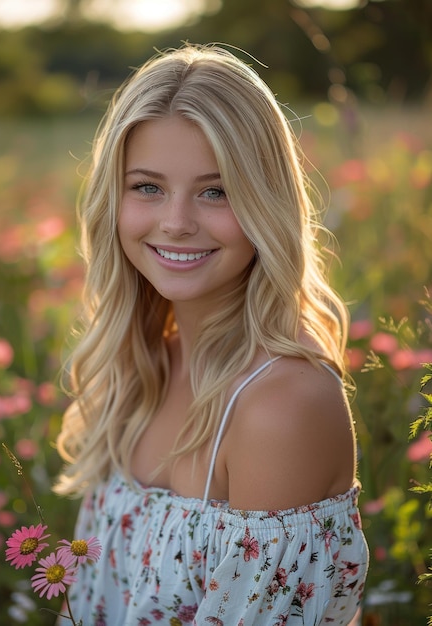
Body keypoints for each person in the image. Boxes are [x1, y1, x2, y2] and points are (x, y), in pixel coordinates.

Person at [55, 43, 369, 625]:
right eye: (147, 186)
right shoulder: (139, 368)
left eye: (215, 190)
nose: (175, 221)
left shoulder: (282, 406)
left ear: (265, 203)